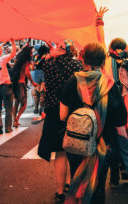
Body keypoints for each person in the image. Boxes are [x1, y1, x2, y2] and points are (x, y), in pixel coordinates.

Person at [60, 42, 127, 203]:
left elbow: (63, 116)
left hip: (76, 142)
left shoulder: (73, 81)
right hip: (103, 145)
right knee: (97, 186)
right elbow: (120, 122)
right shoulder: (110, 85)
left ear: (83, 59)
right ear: (104, 60)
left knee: (77, 178)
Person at [37, 40, 83, 203]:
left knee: (60, 152)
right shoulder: (77, 65)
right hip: (72, 110)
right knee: (74, 149)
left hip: (53, 111)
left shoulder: (48, 64)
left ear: (60, 50)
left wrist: (50, 54)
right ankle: (71, 183)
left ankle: (60, 191)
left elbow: (38, 63)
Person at [11, 44, 38, 128]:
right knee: (24, 104)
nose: (32, 54)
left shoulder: (18, 58)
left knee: (16, 102)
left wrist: (28, 43)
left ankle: (14, 120)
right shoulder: (26, 61)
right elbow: (27, 73)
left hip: (15, 83)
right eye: (31, 52)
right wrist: (33, 82)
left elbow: (23, 50)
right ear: (28, 53)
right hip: (21, 83)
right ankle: (17, 118)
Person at [0, 38, 16, 134]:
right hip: (6, 86)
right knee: (8, 108)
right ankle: (8, 128)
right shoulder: (2, 59)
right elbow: (13, 53)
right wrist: (13, 43)